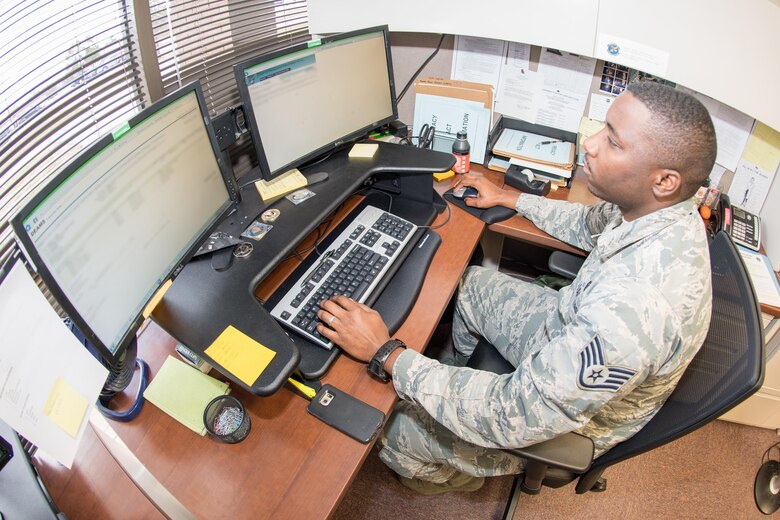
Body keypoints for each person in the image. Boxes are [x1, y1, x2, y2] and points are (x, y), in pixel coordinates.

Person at [316, 82, 717, 495]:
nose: (590, 144)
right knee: (469, 285)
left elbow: (515, 412)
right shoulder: (649, 209)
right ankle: (454, 379)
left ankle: (455, 475)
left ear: (664, 180)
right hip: (561, 331)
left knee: (391, 429)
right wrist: (508, 197)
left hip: (564, 421)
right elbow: (586, 224)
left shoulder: (635, 313)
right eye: (603, 128)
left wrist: (386, 353)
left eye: (613, 142)